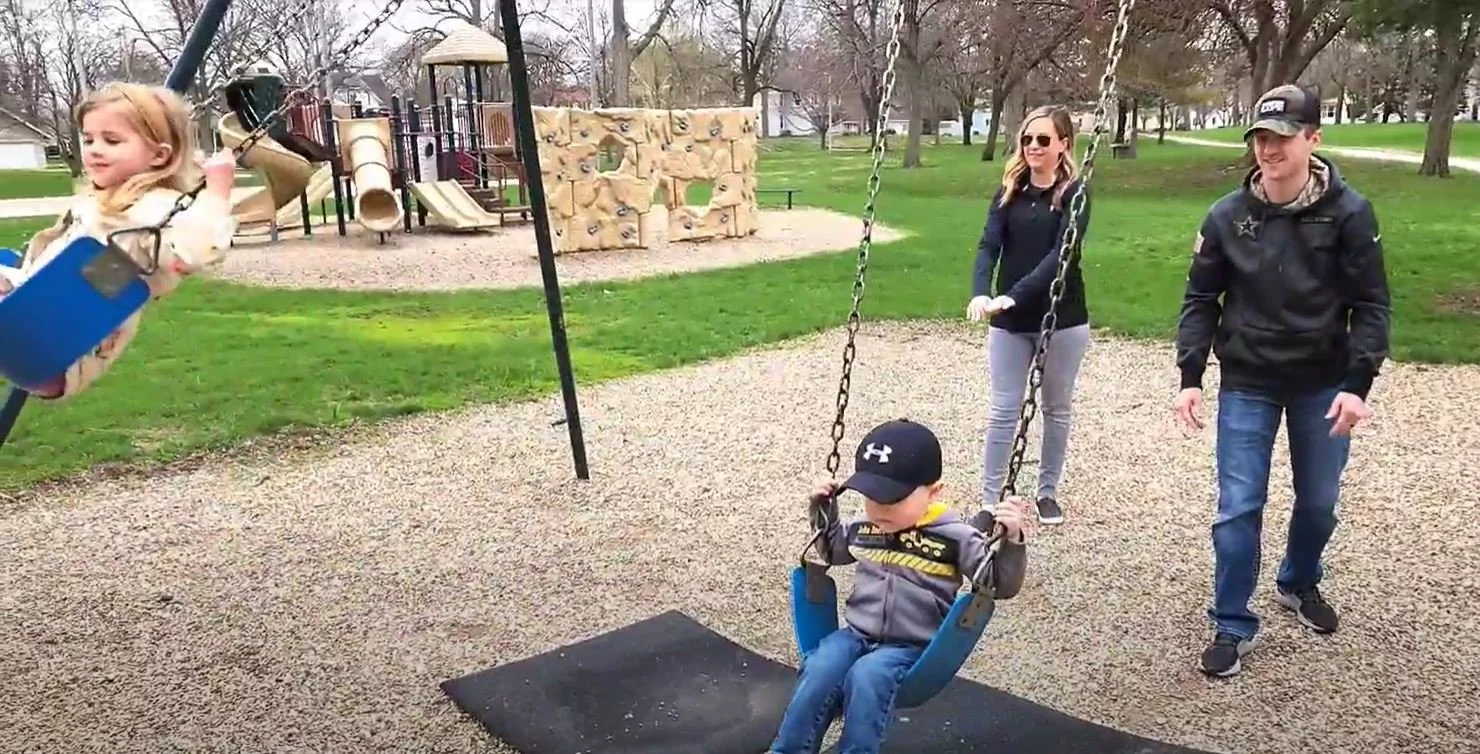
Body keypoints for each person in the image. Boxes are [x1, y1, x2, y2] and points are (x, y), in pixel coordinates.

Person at [1173, 84, 1391, 678]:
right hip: (1248, 379)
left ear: (1312, 140)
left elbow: (1372, 305)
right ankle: (1231, 621)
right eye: (1261, 139)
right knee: (1238, 507)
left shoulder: (1350, 213)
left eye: (1283, 138)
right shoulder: (1227, 216)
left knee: (1318, 502)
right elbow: (1200, 299)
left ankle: (1298, 580)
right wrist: (1191, 374)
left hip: (1322, 379)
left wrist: (1358, 384)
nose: (1269, 150)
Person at [768, 418, 1030, 754]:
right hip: (856, 634)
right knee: (819, 667)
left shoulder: (956, 538)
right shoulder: (865, 527)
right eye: (872, 497)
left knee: (867, 677)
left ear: (934, 492)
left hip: (910, 646)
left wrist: (1012, 540)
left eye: (893, 499)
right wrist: (823, 508)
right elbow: (832, 550)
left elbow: (998, 584)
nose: (880, 509)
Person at [0, 82, 238, 400]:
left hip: (63, 349)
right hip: (32, 315)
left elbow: (199, 251)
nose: (94, 149)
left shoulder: (157, 205)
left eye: (111, 140)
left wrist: (218, 191)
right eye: (88, 139)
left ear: (159, 155)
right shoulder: (95, 199)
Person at [966, 105, 1093, 526]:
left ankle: (1047, 491)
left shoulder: (1075, 194)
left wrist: (1014, 296)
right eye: (1026, 139)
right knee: (1004, 409)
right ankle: (990, 499)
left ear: (1063, 145)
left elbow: (1062, 256)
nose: (1033, 147)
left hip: (1062, 318)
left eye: (1042, 139)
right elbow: (988, 245)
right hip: (1010, 322)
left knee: (1056, 407)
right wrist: (982, 292)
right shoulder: (1010, 192)